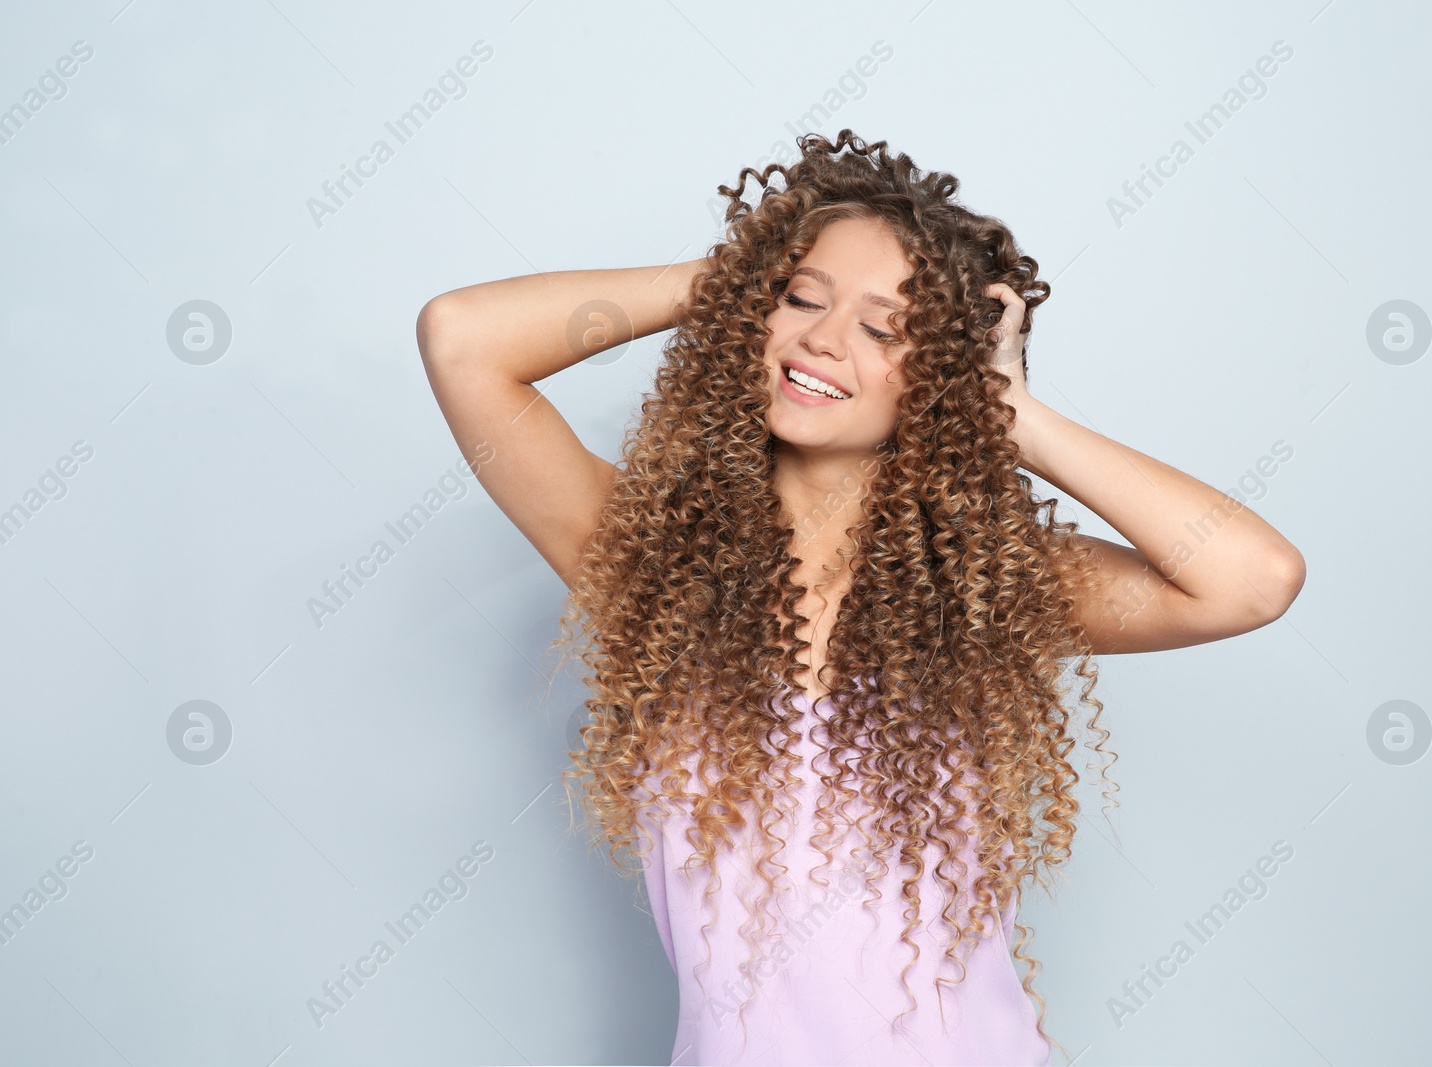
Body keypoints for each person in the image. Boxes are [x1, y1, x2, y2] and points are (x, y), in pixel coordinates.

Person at [415, 129, 1305, 1066]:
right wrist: (740, 270)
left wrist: (1012, 413)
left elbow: (1254, 578)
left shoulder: (984, 586)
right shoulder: (652, 568)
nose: (822, 340)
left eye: (883, 328)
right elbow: (461, 338)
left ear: (935, 381)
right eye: (799, 299)